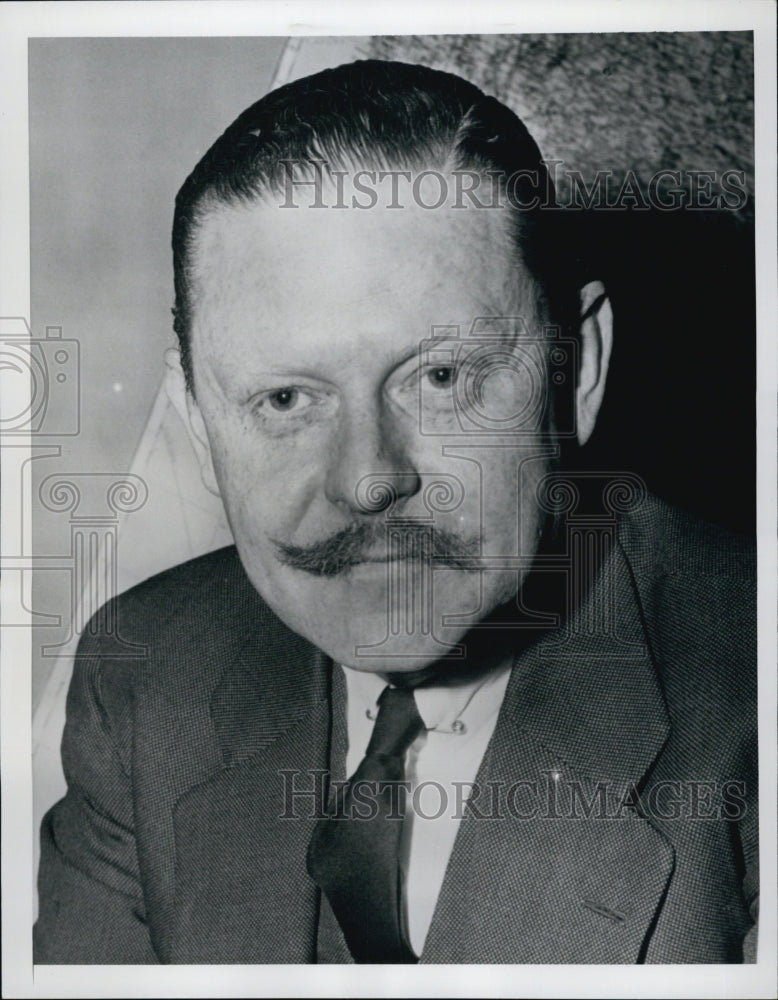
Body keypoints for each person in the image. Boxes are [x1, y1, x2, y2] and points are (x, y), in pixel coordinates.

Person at [33, 59, 757, 965]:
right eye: (287, 400)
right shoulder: (144, 677)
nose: (368, 479)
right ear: (198, 422)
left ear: (579, 371)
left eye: (442, 378)